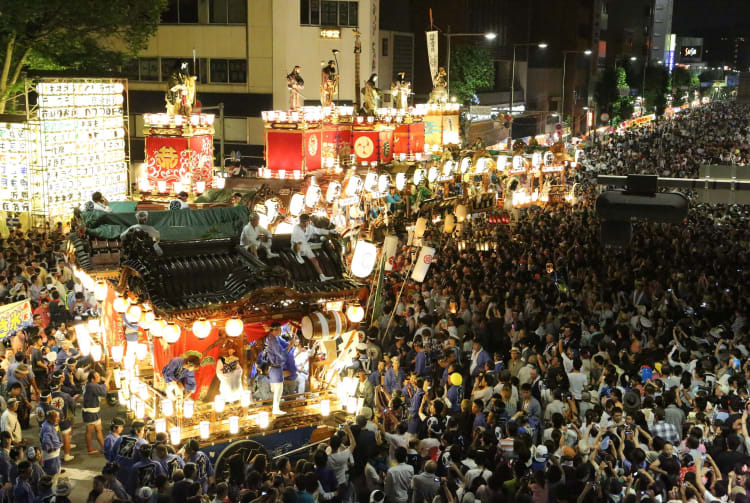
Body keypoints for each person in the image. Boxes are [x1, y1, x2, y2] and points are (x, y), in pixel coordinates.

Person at [291, 214, 334, 281]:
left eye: (306, 222)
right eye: (303, 222)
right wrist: (298, 252)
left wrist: (329, 231)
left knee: (314, 260)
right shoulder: (296, 228)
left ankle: (322, 276)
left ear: (308, 221)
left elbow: (319, 231)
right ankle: (298, 255)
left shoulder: (310, 228)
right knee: (299, 242)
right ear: (300, 222)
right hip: (296, 247)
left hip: (305, 246)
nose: (304, 223)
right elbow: (297, 241)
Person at [82, 369, 110, 455]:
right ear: (92, 379)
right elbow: (104, 392)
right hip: (90, 412)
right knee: (89, 431)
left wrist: (104, 380)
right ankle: (90, 449)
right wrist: (108, 377)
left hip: (93, 411)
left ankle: (104, 448)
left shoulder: (91, 385)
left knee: (98, 429)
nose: (99, 378)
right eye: (97, 377)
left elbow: (104, 388)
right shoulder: (92, 386)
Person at [266, 323, 288, 415]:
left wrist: (290, 344)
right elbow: (280, 353)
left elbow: (284, 343)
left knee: (277, 389)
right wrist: (290, 346)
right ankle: (275, 408)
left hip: (274, 368)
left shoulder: (274, 338)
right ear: (274, 330)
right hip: (275, 368)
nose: (281, 331)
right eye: (279, 329)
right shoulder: (273, 341)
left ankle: (276, 407)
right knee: (278, 389)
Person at [40, 410, 63, 475]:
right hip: (51, 456)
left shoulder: (48, 424)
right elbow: (45, 440)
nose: (59, 419)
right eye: (57, 417)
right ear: (51, 418)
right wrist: (50, 448)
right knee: (54, 473)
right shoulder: (48, 428)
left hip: (54, 455)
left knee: (56, 469)